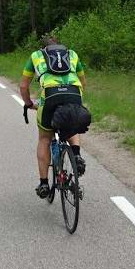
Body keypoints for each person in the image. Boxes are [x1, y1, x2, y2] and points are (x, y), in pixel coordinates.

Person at [20, 34, 87, 199]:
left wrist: (29, 103)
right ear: (61, 46)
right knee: (71, 125)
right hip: (74, 93)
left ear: (44, 48)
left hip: (50, 96)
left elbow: (23, 85)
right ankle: (76, 155)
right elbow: (83, 82)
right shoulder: (72, 54)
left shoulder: (36, 56)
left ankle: (44, 183)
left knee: (44, 139)